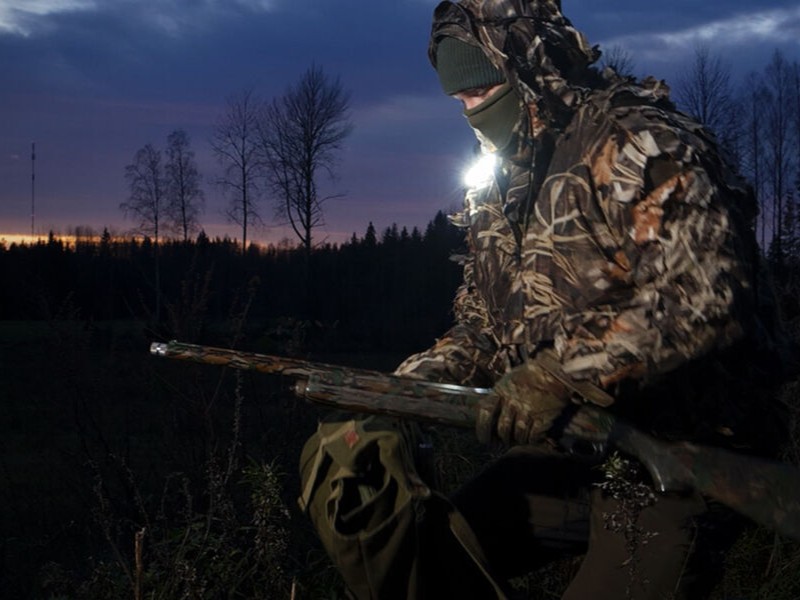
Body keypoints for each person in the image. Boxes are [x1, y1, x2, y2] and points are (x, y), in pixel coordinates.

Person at [298, 1, 791, 598]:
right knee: (442, 547)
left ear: (529, 66)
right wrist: (401, 395)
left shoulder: (637, 141)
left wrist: (557, 378)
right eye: (458, 97)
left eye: (482, 88)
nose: (468, 107)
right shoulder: (500, 181)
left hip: (687, 450)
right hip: (582, 447)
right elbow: (482, 327)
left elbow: (704, 296)